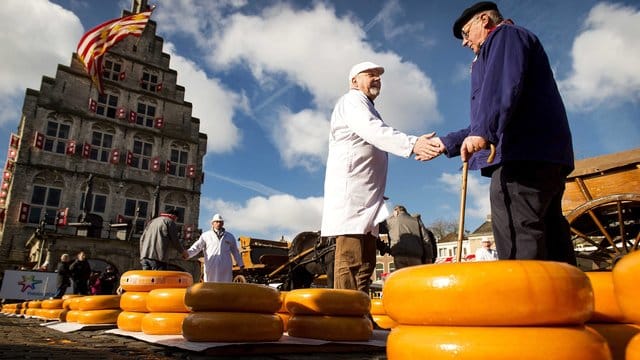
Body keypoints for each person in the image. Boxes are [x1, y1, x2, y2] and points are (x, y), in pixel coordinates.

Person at [422, 2, 576, 265]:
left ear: (484, 20)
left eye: (466, 33)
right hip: (543, 155)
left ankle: (527, 303)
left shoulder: (504, 37)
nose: (464, 42)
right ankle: (570, 301)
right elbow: (494, 108)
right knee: (551, 239)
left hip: (520, 156)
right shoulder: (512, 42)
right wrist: (446, 143)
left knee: (519, 239)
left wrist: (483, 131)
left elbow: (500, 91)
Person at [320, 61, 437, 293]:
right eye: (370, 75)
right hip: (352, 195)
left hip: (368, 198)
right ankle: (345, 317)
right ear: (354, 81)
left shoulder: (368, 106)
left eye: (379, 76)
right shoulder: (352, 101)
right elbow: (373, 130)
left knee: (366, 263)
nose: (377, 79)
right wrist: (413, 143)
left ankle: (360, 312)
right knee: (351, 259)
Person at [185, 214, 245, 282]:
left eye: (220, 222)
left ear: (223, 223)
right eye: (216, 222)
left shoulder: (230, 236)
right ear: (212, 223)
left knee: (224, 287)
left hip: (225, 267)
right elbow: (197, 247)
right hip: (211, 265)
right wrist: (188, 253)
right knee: (210, 287)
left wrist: (241, 264)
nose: (218, 223)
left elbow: (235, 251)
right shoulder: (206, 235)